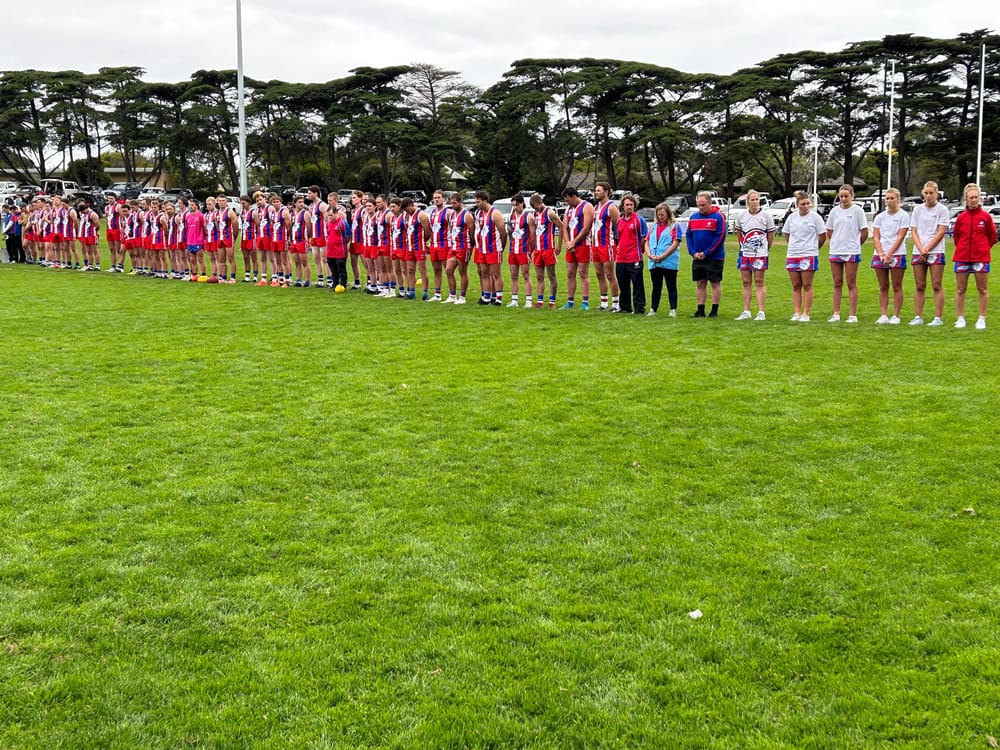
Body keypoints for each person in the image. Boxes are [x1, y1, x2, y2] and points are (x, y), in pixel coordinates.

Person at [952, 182, 997, 329]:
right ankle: (960, 318)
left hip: (981, 258)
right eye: (971, 197)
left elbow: (992, 236)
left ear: (979, 198)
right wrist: (963, 249)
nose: (973, 200)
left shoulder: (986, 217)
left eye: (976, 197)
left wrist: (983, 248)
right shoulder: (961, 218)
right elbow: (957, 236)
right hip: (962, 257)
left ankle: (981, 318)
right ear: (966, 198)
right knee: (960, 289)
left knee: (982, 289)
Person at [908, 181, 949, 326]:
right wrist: (920, 248)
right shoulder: (918, 210)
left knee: (936, 284)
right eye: (926, 193)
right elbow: (913, 230)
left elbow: (941, 231)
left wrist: (928, 249)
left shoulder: (942, 210)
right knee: (920, 285)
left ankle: (938, 317)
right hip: (918, 251)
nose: (928, 196)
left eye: (931, 193)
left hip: (936, 251)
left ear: (936, 193)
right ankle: (918, 316)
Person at [825, 184, 868, 323]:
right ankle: (836, 313)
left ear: (852, 196)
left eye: (846, 196)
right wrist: (838, 241)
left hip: (851, 251)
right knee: (837, 282)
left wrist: (855, 244)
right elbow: (830, 231)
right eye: (841, 196)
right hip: (836, 250)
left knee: (851, 283)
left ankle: (852, 314)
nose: (843, 199)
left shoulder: (858, 211)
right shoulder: (834, 212)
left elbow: (864, 231)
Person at [782, 191, 826, 322]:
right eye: (803, 204)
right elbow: (787, 233)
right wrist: (793, 246)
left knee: (807, 284)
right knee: (796, 285)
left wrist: (814, 248)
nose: (806, 206)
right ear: (797, 205)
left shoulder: (815, 218)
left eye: (808, 204)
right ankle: (796, 312)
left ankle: (806, 313)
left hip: (809, 254)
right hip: (793, 254)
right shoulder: (792, 218)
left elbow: (822, 236)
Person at [733, 189, 775, 320]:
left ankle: (761, 311)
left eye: (757, 199)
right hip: (745, 253)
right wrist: (743, 246)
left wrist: (765, 249)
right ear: (748, 202)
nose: (755, 202)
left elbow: (771, 234)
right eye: (752, 200)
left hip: (760, 254)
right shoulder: (742, 217)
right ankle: (746, 310)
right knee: (746, 282)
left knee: (759, 281)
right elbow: (739, 233)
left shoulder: (766, 216)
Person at [871, 188, 910, 324]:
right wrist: (881, 253)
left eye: (892, 198)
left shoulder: (903, 216)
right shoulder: (880, 217)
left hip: (897, 254)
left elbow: (900, 236)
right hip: (880, 254)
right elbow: (875, 236)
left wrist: (890, 254)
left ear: (897, 199)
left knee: (897, 285)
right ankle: (883, 314)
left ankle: (896, 315)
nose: (889, 201)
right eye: (887, 198)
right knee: (883, 286)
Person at [686, 191, 726, 317]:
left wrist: (707, 252)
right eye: (699, 205)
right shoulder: (693, 218)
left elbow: (720, 237)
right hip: (697, 257)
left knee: (715, 283)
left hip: (714, 257)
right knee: (700, 283)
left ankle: (714, 310)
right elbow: (688, 235)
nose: (701, 208)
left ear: (709, 203)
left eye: (703, 205)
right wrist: (693, 252)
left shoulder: (718, 217)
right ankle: (700, 309)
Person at [645, 202, 682, 317]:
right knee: (656, 286)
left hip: (669, 262)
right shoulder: (653, 227)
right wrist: (649, 254)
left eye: (663, 215)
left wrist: (663, 256)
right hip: (654, 262)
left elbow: (675, 243)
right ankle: (653, 308)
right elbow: (647, 242)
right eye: (659, 215)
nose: (660, 217)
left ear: (668, 214)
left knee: (671, 285)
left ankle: (673, 309)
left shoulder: (675, 226)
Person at [560, 188, 593, 309]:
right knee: (570, 273)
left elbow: (586, 228)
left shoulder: (586, 206)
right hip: (571, 245)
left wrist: (574, 242)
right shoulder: (569, 209)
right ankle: (570, 301)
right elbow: (564, 227)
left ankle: (585, 302)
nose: (567, 202)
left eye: (568, 200)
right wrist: (568, 242)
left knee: (583, 273)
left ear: (574, 196)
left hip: (583, 244)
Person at [614, 194, 647, 314]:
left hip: (635, 257)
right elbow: (617, 238)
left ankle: (639, 307)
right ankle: (625, 307)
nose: (629, 207)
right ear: (622, 206)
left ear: (635, 206)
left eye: (631, 205)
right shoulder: (619, 221)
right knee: (623, 284)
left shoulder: (639, 220)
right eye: (627, 205)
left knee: (637, 284)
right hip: (621, 258)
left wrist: (640, 251)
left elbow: (643, 238)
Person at [473, 190, 506, 305]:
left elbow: (503, 232)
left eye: (478, 202)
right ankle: (486, 296)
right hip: (482, 248)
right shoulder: (478, 213)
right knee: (484, 273)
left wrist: (501, 247)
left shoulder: (495, 213)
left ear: (485, 201)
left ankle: (498, 298)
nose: (477, 204)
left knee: (496, 274)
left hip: (494, 248)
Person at [592, 182, 620, 311]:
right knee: (599, 274)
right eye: (595, 190)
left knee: (610, 274)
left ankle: (615, 303)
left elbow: (617, 226)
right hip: (596, 244)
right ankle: (603, 302)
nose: (596, 192)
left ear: (606, 191)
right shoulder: (596, 207)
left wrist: (617, 243)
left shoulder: (611, 207)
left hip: (607, 244)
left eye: (599, 190)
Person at [530, 194, 562, 308]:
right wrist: (532, 247)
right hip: (538, 249)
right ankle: (540, 301)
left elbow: (561, 226)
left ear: (540, 202)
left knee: (551, 275)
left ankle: (552, 302)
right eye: (534, 208)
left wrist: (559, 245)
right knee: (539, 276)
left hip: (548, 248)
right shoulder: (535, 214)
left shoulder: (550, 213)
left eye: (536, 206)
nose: (536, 209)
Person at [443, 192, 474, 304]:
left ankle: (462, 297)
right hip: (453, 246)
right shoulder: (451, 215)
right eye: (451, 203)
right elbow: (450, 229)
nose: (453, 205)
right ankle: (452, 295)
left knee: (462, 271)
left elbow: (472, 233)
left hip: (463, 246)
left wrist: (470, 248)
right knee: (448, 270)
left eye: (455, 203)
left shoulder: (467, 215)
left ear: (461, 202)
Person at [506, 194, 534, 307]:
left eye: (517, 205)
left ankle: (528, 301)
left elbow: (533, 235)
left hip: (523, 250)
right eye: (513, 205)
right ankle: (514, 300)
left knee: (525, 274)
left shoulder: (528, 217)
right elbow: (509, 232)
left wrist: (530, 249)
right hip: (513, 250)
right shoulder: (510, 217)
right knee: (513, 275)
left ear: (522, 203)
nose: (515, 207)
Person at [402, 197, 432, 299]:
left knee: (422, 269)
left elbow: (428, 231)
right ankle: (411, 291)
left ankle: (425, 292)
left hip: (419, 246)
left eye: (407, 209)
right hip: (409, 246)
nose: (407, 212)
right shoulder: (406, 216)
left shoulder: (421, 215)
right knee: (410, 269)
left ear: (411, 205)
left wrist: (422, 241)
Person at [425, 190, 451, 302]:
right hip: (434, 245)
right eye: (435, 198)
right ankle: (437, 294)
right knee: (436, 270)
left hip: (444, 244)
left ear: (444, 199)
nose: (436, 200)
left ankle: (452, 294)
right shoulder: (433, 213)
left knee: (448, 270)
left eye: (439, 197)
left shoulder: (448, 212)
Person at [325, 200, 350, 290]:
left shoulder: (342, 223)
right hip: (330, 251)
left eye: (331, 215)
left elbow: (347, 236)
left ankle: (343, 284)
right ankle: (335, 284)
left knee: (341, 268)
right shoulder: (328, 224)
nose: (330, 217)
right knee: (333, 269)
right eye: (328, 215)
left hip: (340, 251)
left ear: (336, 213)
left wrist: (341, 244)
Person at [307, 186, 328, 287]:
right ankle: (320, 279)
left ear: (316, 193)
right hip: (314, 236)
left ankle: (329, 279)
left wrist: (327, 233)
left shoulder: (322, 205)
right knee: (316, 258)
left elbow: (327, 219)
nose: (308, 195)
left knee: (324, 258)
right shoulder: (311, 205)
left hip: (321, 235)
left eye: (310, 193)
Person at [289, 195, 311, 286]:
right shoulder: (292, 214)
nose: (301, 204)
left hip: (302, 240)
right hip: (294, 241)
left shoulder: (305, 213)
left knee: (304, 262)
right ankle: (298, 279)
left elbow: (309, 227)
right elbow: (290, 227)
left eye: (302, 202)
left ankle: (307, 280)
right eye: (299, 202)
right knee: (297, 262)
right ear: (295, 204)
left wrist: (308, 237)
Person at [184, 199, 207, 279]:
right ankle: (194, 274)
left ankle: (204, 275)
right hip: (190, 240)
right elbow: (187, 228)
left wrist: (203, 237)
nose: (191, 206)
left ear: (197, 206)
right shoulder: (187, 216)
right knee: (192, 259)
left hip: (198, 240)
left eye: (192, 205)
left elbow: (204, 227)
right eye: (190, 205)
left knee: (200, 258)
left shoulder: (200, 215)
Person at [239, 195, 259, 282]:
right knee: (245, 257)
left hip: (252, 237)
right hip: (244, 237)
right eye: (241, 203)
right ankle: (247, 276)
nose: (242, 205)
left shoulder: (253, 212)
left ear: (248, 202)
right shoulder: (242, 212)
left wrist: (257, 236)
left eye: (244, 203)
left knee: (253, 257)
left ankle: (255, 276)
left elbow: (258, 224)